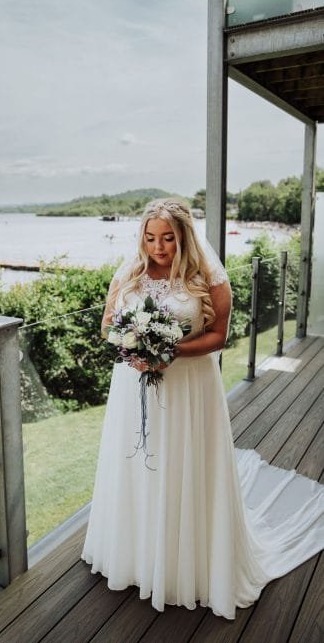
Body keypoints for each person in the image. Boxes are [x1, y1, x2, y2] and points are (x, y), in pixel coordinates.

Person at [81, 197, 324, 620]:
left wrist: (169, 352)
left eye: (168, 238)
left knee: (183, 462)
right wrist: (131, 346)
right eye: (150, 237)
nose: (158, 247)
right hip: (133, 383)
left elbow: (218, 337)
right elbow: (107, 326)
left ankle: (186, 561)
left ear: (184, 235)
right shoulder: (129, 272)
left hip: (189, 385)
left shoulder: (207, 277)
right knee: (138, 463)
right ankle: (138, 554)